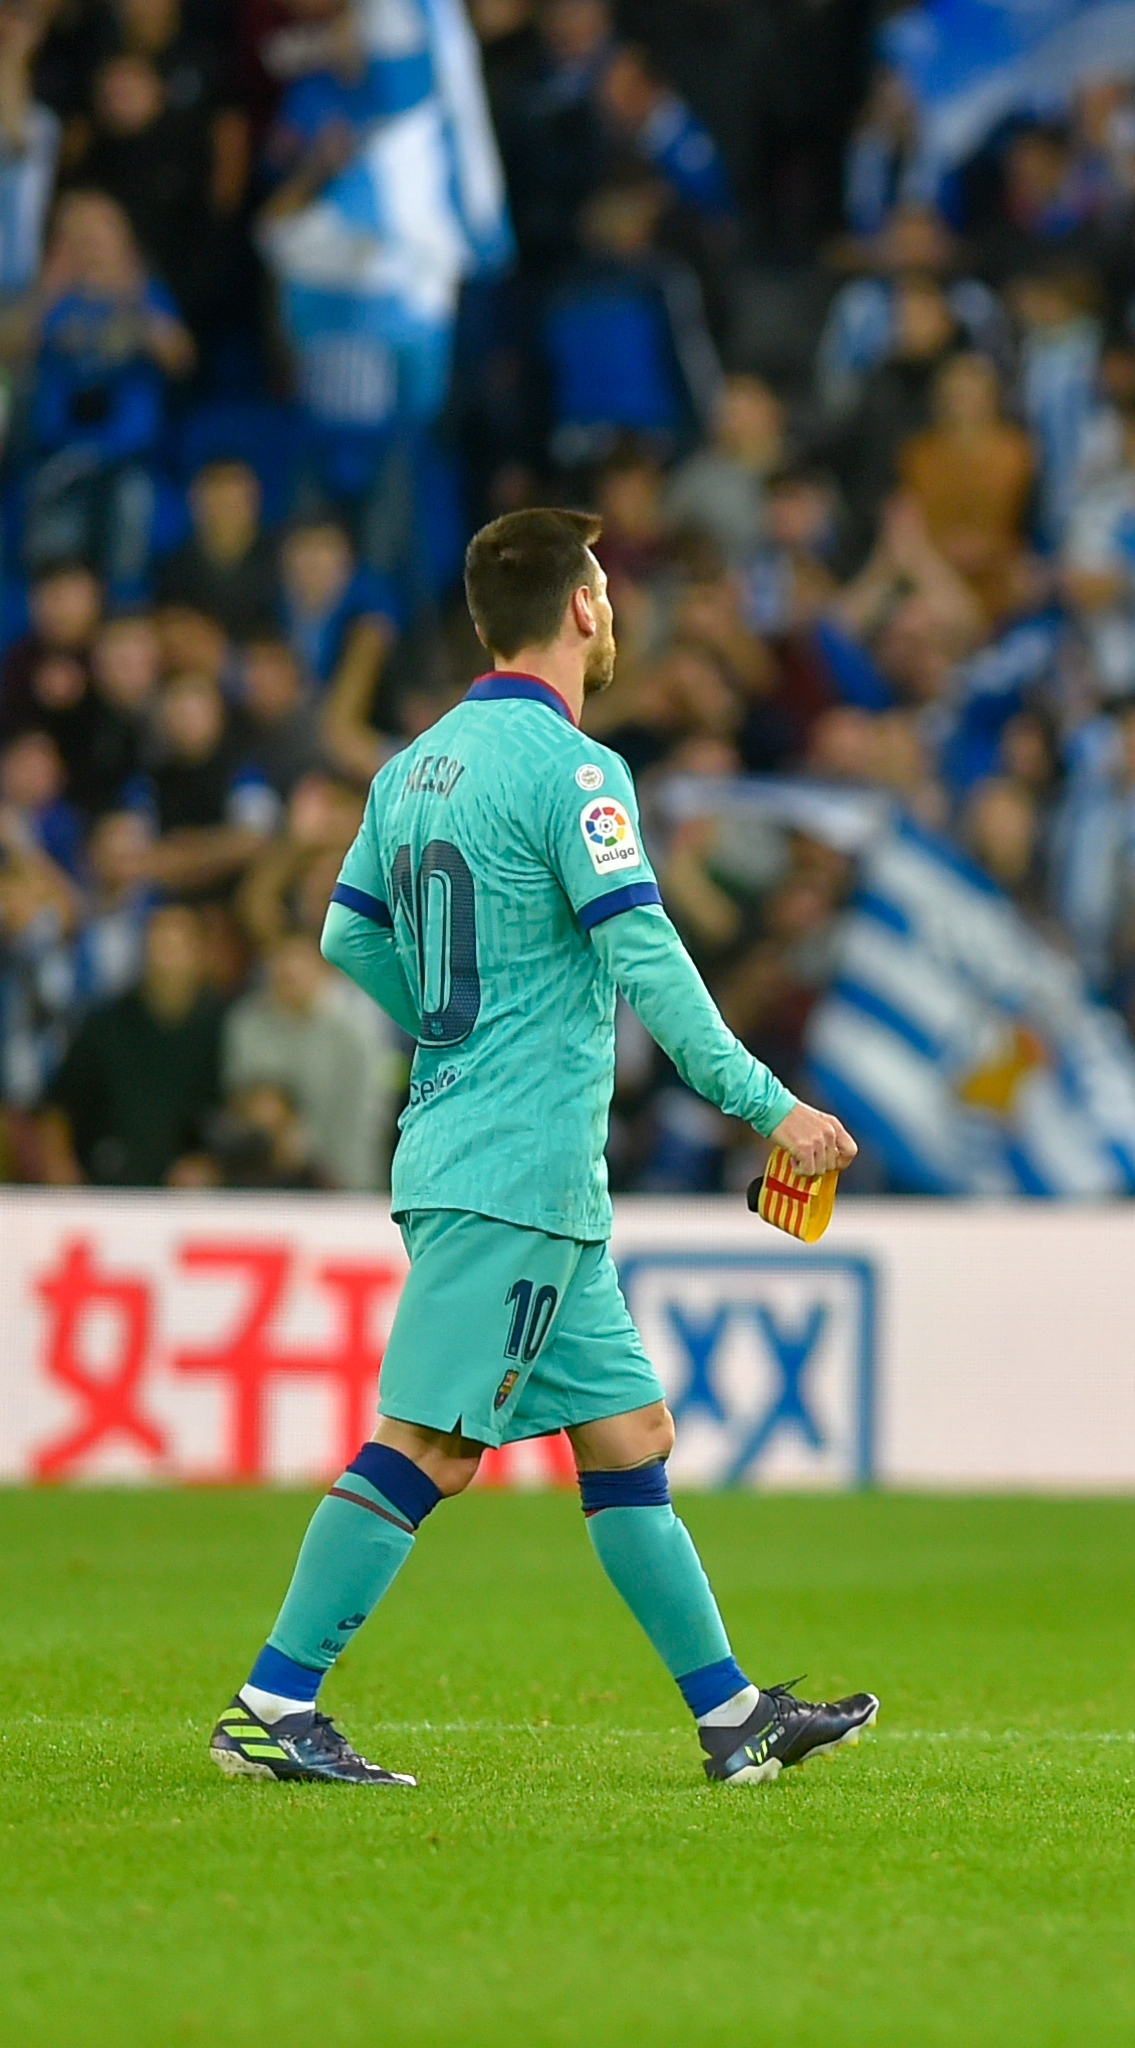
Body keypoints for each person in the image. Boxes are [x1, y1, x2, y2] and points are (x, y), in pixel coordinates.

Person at [211, 508, 870, 1790]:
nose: (612, 607)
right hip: (511, 1170)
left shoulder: (411, 768)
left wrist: (453, 1022)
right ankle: (270, 1704)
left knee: (629, 1438)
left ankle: (731, 1716)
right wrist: (768, 1103)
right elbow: (649, 961)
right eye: (606, 587)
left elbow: (351, 936)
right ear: (578, 609)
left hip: (510, 1168)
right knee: (432, 1445)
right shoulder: (577, 773)